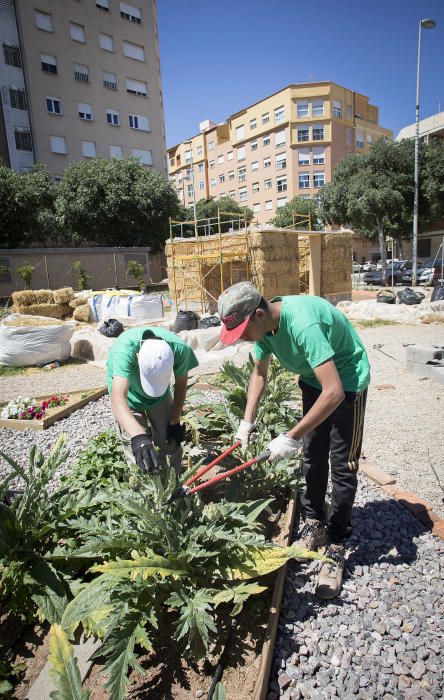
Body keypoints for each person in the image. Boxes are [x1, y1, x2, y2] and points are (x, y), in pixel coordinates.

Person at [218, 281, 370, 599]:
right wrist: (246, 423)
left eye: (243, 332)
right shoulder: (265, 327)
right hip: (316, 380)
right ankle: (314, 521)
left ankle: (337, 544)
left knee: (343, 464)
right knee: (313, 455)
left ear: (259, 314)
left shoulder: (302, 324)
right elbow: (259, 374)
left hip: (346, 380)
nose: (243, 340)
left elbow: (335, 392)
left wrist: (289, 437)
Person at [106, 326, 198, 474]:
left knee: (170, 441)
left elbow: (181, 385)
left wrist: (174, 421)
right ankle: (146, 490)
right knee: (138, 449)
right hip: (128, 395)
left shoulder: (180, 349)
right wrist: (139, 437)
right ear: (137, 357)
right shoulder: (123, 352)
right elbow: (118, 398)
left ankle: (173, 483)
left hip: (160, 396)